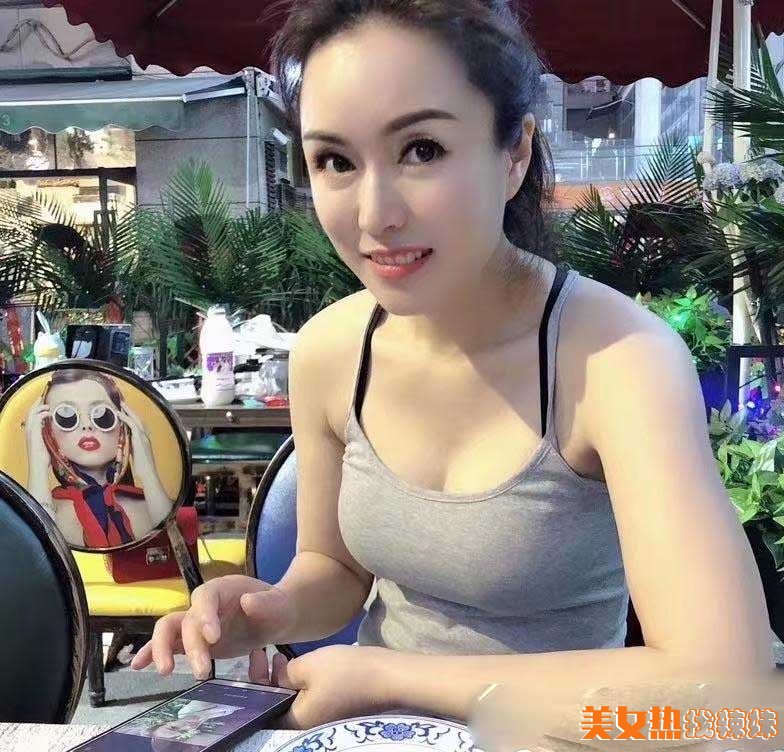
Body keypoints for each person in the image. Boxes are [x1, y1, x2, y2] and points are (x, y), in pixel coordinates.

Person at [133, 0, 775, 733]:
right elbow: (335, 571)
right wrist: (265, 609)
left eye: (422, 150)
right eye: (336, 161)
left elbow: (726, 684)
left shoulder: (617, 360)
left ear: (515, 154)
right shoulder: (331, 351)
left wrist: (387, 676)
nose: (374, 215)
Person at [25, 368, 174, 548]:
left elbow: (175, 546)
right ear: (48, 432)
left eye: (102, 414)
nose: (87, 426)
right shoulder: (46, 508)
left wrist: (148, 472)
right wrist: (38, 468)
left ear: (124, 425)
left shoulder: (153, 505)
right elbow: (35, 551)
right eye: (66, 416)